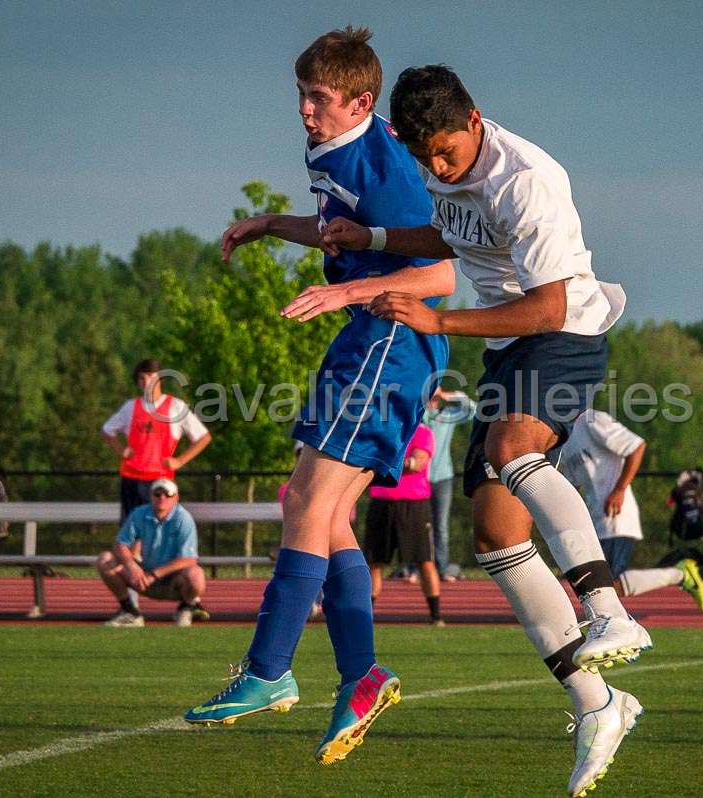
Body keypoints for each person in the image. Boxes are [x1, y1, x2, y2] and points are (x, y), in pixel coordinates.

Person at [322, 64, 646, 796]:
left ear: (475, 121)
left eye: (446, 153)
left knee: (509, 449)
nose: (436, 167)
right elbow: (446, 233)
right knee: (496, 534)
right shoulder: (444, 167)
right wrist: (370, 232)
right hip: (508, 344)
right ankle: (599, 704)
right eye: (423, 157)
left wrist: (438, 320)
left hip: (562, 331)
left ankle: (608, 610)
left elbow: (549, 306)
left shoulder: (527, 179)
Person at [182, 28, 454, 769]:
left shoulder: (382, 162)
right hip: (368, 332)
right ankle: (360, 674)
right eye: (301, 95)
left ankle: (268, 672)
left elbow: (442, 276)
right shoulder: (332, 147)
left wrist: (350, 292)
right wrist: (275, 225)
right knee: (319, 509)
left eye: (320, 99)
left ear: (362, 101)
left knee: (308, 503)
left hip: (393, 338)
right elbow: (346, 232)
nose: (305, 110)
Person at [559, 410, 703, 608]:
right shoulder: (565, 436)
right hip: (594, 520)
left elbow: (636, 446)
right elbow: (572, 484)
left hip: (615, 518)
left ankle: (679, 574)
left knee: (607, 588)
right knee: (594, 587)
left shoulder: (592, 420)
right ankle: (611, 624)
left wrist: (619, 490)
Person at [102, 358, 212, 524]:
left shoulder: (175, 406)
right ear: (138, 383)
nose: (146, 381)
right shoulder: (131, 407)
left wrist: (179, 461)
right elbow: (107, 431)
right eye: (141, 378)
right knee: (130, 531)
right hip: (131, 478)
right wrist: (121, 450)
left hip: (160, 481)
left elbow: (203, 437)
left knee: (158, 528)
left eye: (150, 376)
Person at [96, 478, 207, 627]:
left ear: (176, 497)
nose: (162, 498)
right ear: (150, 495)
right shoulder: (139, 514)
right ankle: (130, 611)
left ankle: (185, 608)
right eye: (157, 493)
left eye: (168, 494)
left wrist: (154, 574)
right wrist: (131, 565)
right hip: (142, 578)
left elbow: (189, 559)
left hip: (172, 581)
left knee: (196, 575)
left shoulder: (183, 518)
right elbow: (120, 544)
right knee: (105, 560)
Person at [364, 424, 443, 625]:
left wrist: (383, 464)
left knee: (425, 560)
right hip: (381, 502)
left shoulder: (422, 432)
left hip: (414, 504)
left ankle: (436, 616)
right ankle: (365, 615)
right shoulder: (380, 430)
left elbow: (417, 463)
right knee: (374, 561)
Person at [425, 386, 475, 580]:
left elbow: (473, 409)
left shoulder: (446, 416)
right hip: (417, 479)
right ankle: (419, 567)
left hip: (443, 477)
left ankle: (442, 566)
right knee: (419, 525)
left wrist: (448, 395)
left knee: (441, 525)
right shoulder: (418, 418)